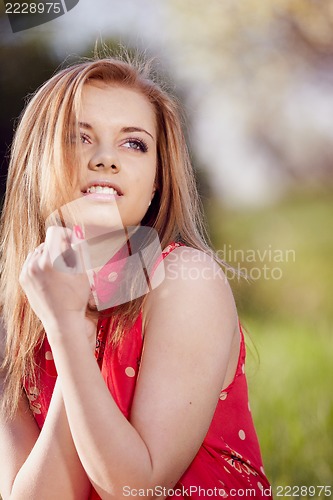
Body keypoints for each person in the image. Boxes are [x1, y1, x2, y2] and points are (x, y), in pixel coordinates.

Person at [0, 55, 272, 499]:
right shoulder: (12, 322)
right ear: (35, 163)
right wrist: (70, 322)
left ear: (157, 182)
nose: (105, 158)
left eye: (134, 144)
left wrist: (68, 329)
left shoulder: (186, 280)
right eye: (78, 137)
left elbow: (136, 489)